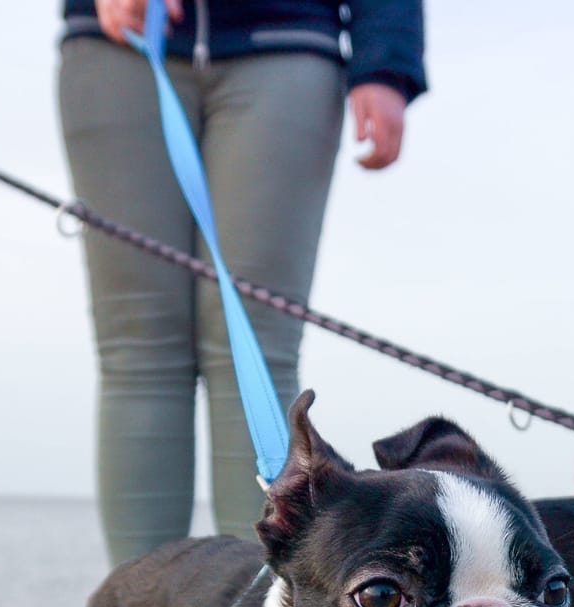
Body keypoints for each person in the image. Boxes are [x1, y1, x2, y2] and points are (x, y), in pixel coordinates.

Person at [60, 0, 425, 565]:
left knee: (255, 343)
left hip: (289, 42)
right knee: (137, 346)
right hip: (117, 43)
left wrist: (387, 62)